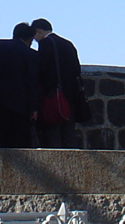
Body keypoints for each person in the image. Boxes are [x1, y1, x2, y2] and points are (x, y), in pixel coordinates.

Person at [32, 18, 90, 148]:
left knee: (54, 135)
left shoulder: (46, 43)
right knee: (69, 135)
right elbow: (76, 69)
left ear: (38, 31)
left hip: (55, 96)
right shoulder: (68, 44)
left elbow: (43, 70)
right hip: (72, 96)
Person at [0, 22, 40, 147]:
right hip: (20, 104)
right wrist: (33, 108)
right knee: (19, 141)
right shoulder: (30, 54)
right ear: (30, 39)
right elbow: (32, 82)